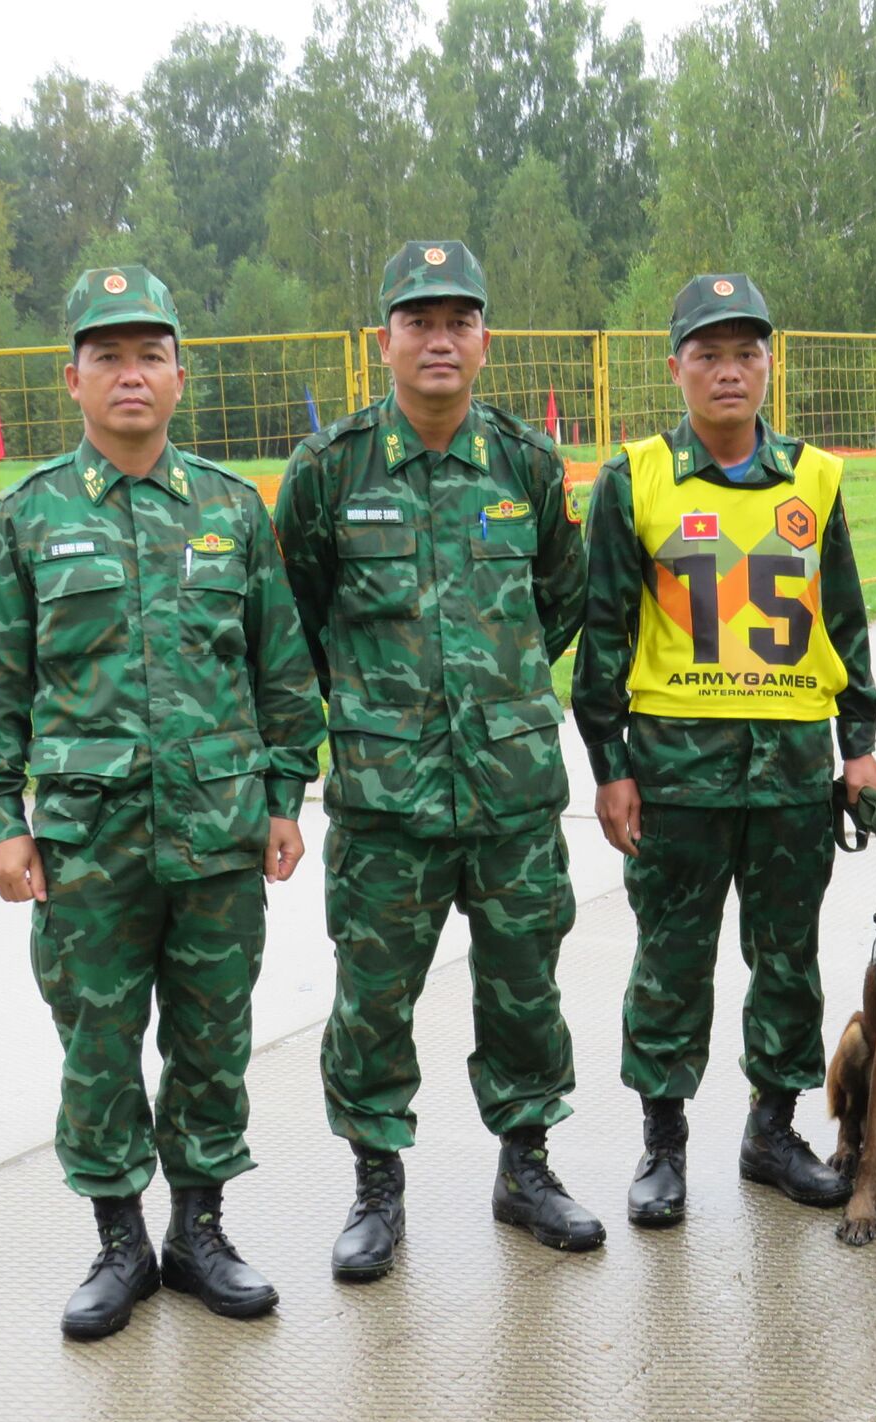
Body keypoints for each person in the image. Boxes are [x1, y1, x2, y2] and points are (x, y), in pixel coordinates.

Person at [0, 265, 325, 1339]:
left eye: (149, 354)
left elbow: (282, 673)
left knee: (212, 1040)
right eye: (107, 355)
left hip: (217, 839)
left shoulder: (230, 510)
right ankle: (120, 1242)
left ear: (179, 375)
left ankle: (199, 1231)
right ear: (71, 378)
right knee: (100, 1046)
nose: (130, 374)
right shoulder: (27, 519)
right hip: (85, 848)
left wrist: (284, 794)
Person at [273, 241, 603, 1269]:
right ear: (386, 341)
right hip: (385, 802)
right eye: (419, 321)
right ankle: (377, 1189)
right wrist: (383, 714)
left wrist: (492, 696)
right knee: (373, 1003)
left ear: (485, 339)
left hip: (509, 795)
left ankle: (526, 1167)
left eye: (459, 320)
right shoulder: (330, 475)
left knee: (524, 989)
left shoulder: (527, 465)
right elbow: (296, 623)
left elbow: (560, 604)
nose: (440, 339)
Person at [573, 272, 876, 1227]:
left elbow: (845, 619)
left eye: (746, 351)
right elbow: (604, 637)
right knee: (672, 960)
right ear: (675, 367)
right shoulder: (636, 480)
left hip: (791, 771)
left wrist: (861, 746)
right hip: (678, 774)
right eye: (707, 353)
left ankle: (771, 1132)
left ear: (768, 365)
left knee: (786, 959)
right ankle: (662, 1147)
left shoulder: (815, 479)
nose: (728, 371)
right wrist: (610, 766)